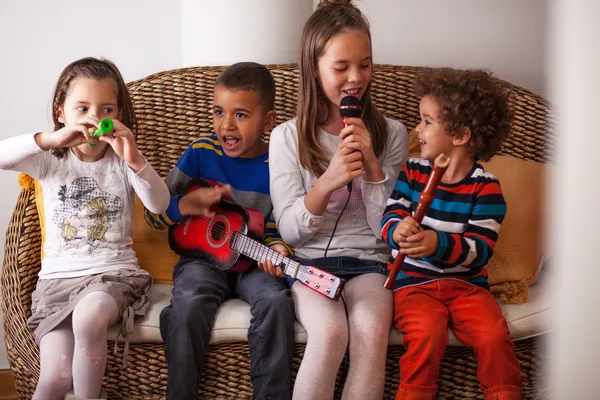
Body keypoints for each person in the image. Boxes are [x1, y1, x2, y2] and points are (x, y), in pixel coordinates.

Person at [0, 57, 170, 400]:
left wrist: (134, 157)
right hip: (57, 286)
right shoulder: (47, 159)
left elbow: (160, 204)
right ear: (61, 112)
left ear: (119, 115)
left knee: (90, 316)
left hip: (113, 277)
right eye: (82, 108)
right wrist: (49, 139)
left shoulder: (122, 160)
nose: (95, 119)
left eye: (106, 109)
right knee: (55, 380)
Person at [266, 1, 408, 398]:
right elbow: (292, 232)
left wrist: (375, 169)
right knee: (329, 334)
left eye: (364, 65)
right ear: (314, 67)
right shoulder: (287, 138)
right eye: (341, 67)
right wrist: (326, 183)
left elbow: (390, 231)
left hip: (371, 263)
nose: (355, 78)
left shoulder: (392, 133)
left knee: (371, 331)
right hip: (312, 264)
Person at [144, 62, 295, 400]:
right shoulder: (201, 153)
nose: (226, 125)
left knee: (275, 300)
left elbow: (279, 225)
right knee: (189, 302)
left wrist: (279, 248)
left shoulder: (278, 165)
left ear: (268, 121)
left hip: (253, 262)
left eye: (240, 115)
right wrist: (185, 205)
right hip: (202, 261)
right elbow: (154, 214)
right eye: (219, 112)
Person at [381, 67, 522, 400]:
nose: (419, 130)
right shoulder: (412, 172)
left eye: (427, 122)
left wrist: (435, 242)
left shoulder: (486, 188)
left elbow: (480, 249)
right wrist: (398, 230)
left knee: (493, 334)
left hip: (467, 287)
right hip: (414, 285)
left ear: (460, 135)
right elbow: (391, 215)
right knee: (427, 333)